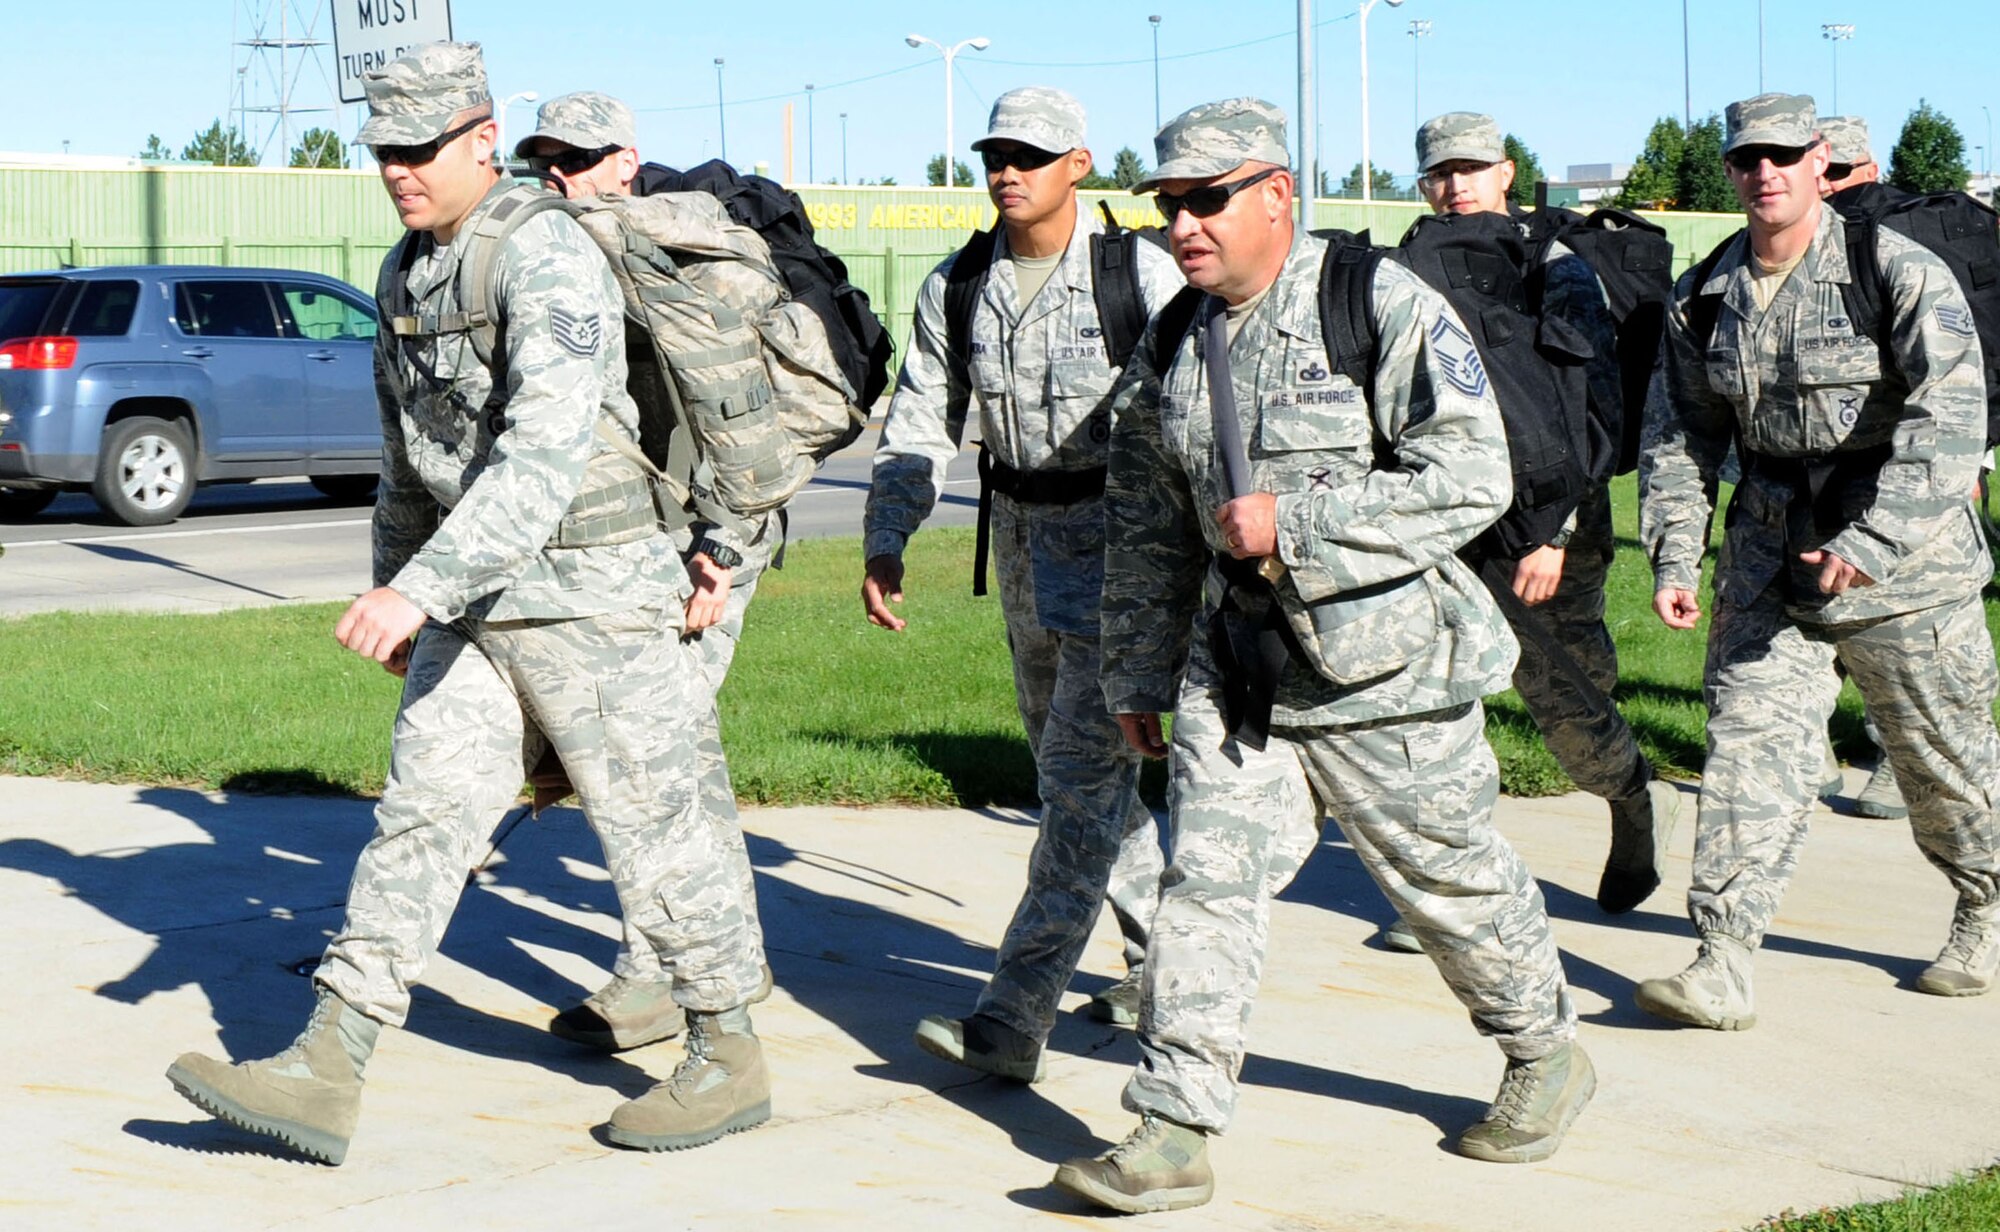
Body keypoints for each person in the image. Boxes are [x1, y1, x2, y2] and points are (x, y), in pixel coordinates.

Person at [164, 44, 769, 1164]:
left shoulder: (544, 256)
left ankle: (727, 1053)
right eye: (382, 150)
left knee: (659, 835)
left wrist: (417, 588)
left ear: (481, 138)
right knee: (421, 813)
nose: (397, 168)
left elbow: (541, 454)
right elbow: (408, 459)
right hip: (475, 606)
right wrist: (401, 581)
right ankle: (326, 1060)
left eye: (419, 148)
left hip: (595, 596)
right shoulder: (406, 270)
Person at [1052, 98, 1592, 1216]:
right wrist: (1135, 676)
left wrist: (1293, 527)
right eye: (1166, 206)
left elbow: (1469, 474)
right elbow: (1148, 520)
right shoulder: (1171, 335)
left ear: (1274, 195)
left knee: (1447, 883)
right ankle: (1171, 1124)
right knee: (1204, 880)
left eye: (1205, 201)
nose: (1182, 227)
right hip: (1235, 668)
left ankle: (1543, 1049)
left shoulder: (1371, 302)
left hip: (1382, 675)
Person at [1636, 93, 2000, 1031]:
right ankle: (1722, 960)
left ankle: (1981, 902)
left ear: (1819, 161)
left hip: (1903, 566)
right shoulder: (1703, 292)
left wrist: (1872, 542)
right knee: (1749, 751)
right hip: (1768, 557)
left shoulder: (1893, 270)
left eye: (1784, 156)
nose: (1765, 173)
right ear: (1730, 170)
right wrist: (1677, 553)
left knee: (1941, 765)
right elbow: (1679, 435)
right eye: (1747, 159)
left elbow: (1950, 420)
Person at [865, 86, 1183, 1076]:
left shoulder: (1142, 274)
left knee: (1080, 787)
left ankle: (1013, 1016)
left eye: (1030, 156)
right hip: (1020, 549)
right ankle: (1167, 967)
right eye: (995, 153)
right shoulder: (959, 284)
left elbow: (1204, 420)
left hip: (1121, 549)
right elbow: (921, 419)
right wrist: (886, 535)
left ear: (1077, 165)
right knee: (1070, 769)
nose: (1007, 170)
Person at [511, 90, 779, 1053]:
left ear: (627, 160)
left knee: (659, 770)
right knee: (675, 764)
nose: (559, 173)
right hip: (632, 551)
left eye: (579, 157)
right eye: (546, 157)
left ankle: (668, 976)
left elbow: (745, 420)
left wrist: (725, 549)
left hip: (705, 545)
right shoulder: (553, 255)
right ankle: (710, 964)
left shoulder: (681, 254)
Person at [1404, 112, 1681, 925]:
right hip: (1444, 509)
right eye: (1438, 173)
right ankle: (1452, 885)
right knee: (1431, 694)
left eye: (1470, 169)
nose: (1454, 186)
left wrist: (1553, 532)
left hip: (1549, 512)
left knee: (1561, 693)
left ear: (1507, 171)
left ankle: (1630, 795)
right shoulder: (1411, 260)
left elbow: (1587, 397)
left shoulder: (1551, 262)